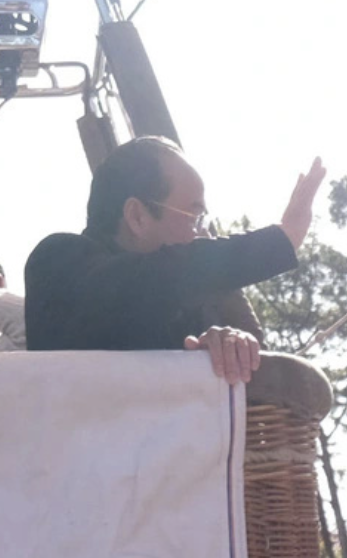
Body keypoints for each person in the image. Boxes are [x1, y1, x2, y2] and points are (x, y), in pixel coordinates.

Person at [24, 138, 326, 385]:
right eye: (193, 216)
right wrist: (281, 239)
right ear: (138, 216)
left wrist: (229, 347)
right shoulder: (59, 260)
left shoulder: (182, 306)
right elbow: (149, 283)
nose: (202, 235)